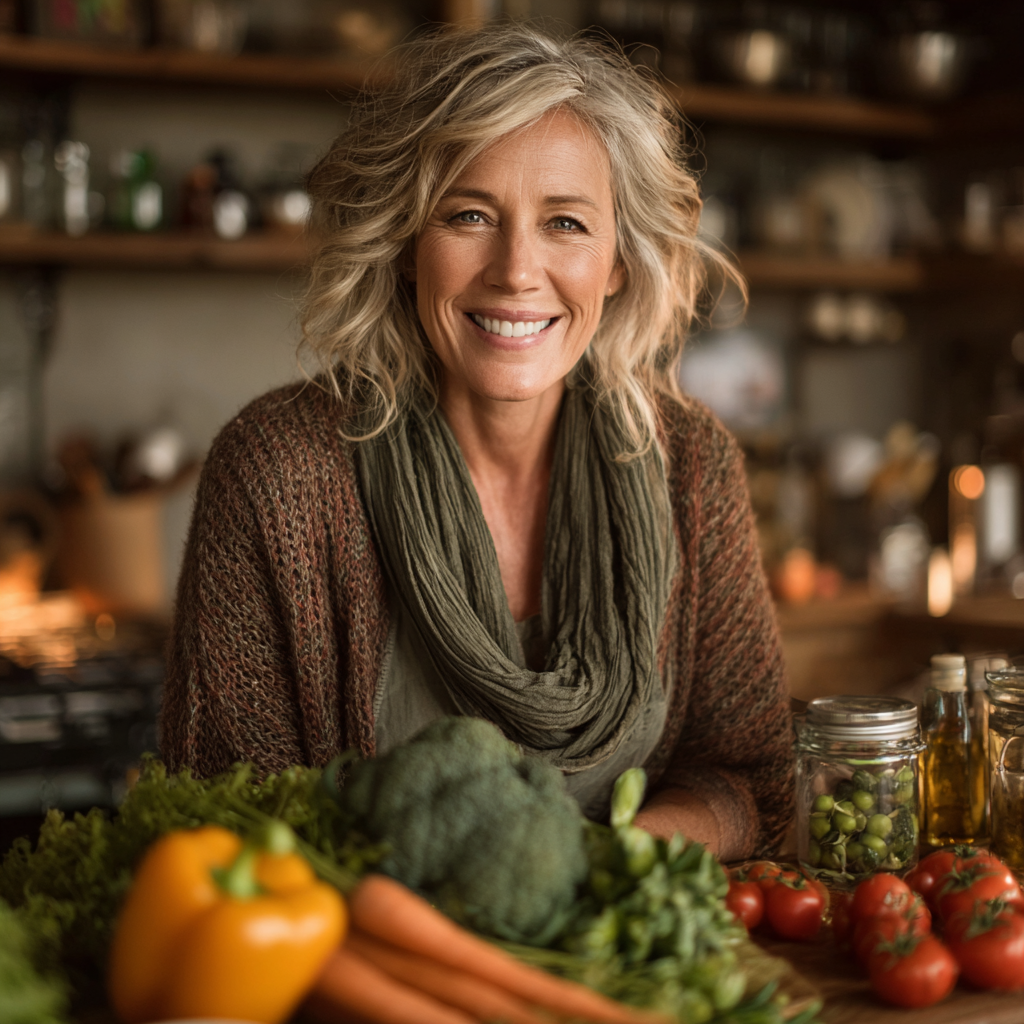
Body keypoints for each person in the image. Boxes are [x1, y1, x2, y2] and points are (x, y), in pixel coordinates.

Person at [161, 24, 793, 861]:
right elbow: (226, 825)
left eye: (566, 223)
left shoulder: (692, 465)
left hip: (622, 976)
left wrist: (591, 864)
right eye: (468, 215)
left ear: (617, 260)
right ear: (407, 245)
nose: (516, 270)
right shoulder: (281, 472)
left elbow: (751, 784)